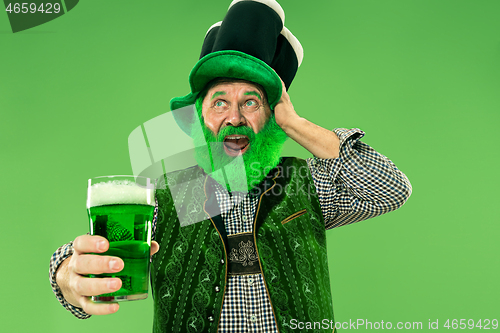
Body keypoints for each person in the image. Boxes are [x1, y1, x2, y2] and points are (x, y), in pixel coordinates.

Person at [49, 1, 412, 332]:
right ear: (198, 119)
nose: (234, 118)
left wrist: (295, 123)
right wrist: (67, 273)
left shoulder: (305, 183)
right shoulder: (172, 195)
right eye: (219, 103)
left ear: (272, 117)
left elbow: (390, 188)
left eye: (251, 103)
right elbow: (96, 253)